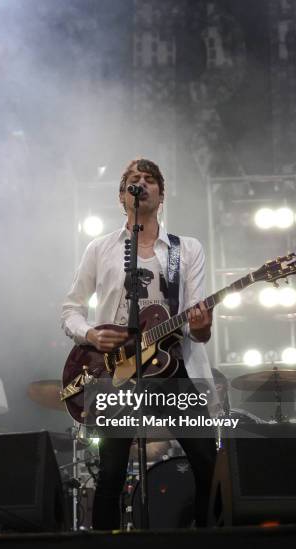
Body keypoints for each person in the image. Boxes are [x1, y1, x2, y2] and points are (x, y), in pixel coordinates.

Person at [62, 158, 216, 529]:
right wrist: (91, 335)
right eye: (134, 180)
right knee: (111, 474)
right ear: (122, 195)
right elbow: (70, 308)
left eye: (150, 180)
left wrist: (203, 324)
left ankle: (210, 544)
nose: (142, 184)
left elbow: (198, 328)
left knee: (207, 460)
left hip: (173, 366)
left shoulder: (186, 249)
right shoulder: (100, 248)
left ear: (161, 194)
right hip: (115, 369)